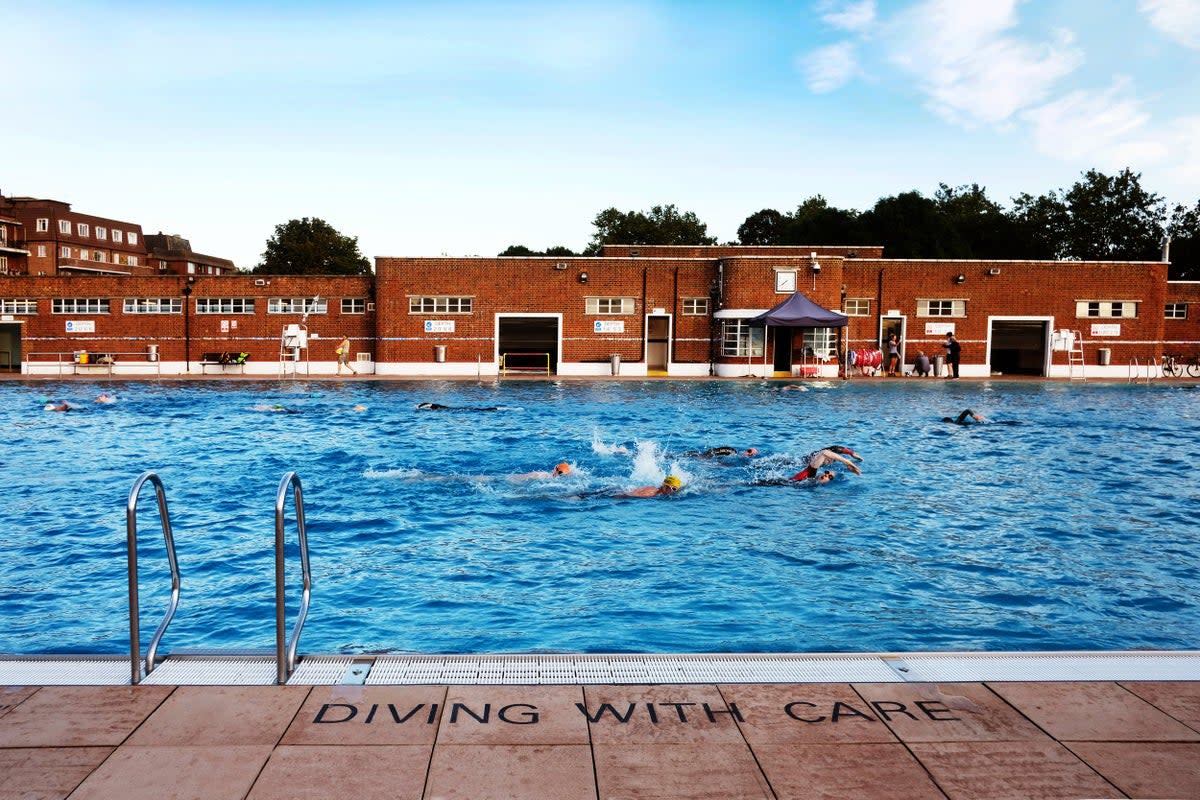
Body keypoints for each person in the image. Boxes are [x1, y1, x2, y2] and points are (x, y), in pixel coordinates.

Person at [790, 445, 863, 481]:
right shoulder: (811, 474)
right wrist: (847, 461)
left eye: (830, 477)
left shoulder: (810, 480)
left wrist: (852, 454)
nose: (826, 475)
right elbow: (824, 453)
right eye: (827, 472)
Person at [692, 446, 759, 458]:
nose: (749, 454)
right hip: (698, 456)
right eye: (749, 451)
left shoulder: (734, 454)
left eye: (751, 455)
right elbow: (713, 452)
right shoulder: (732, 452)